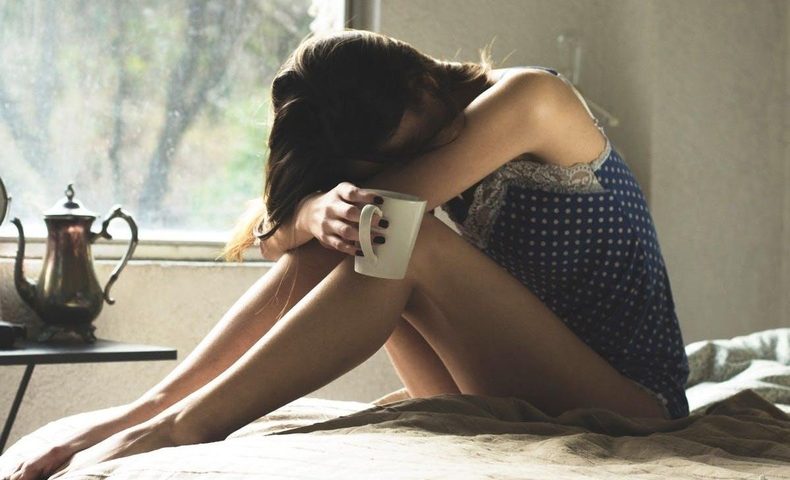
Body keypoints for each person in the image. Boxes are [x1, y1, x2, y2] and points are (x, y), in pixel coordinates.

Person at [5, 28, 689, 480]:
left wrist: (322, 211)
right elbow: (273, 239)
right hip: (506, 387)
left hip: (627, 399)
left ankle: (187, 425)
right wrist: (310, 208)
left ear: (423, 83)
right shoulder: (409, 125)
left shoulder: (533, 97)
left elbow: (380, 217)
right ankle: (149, 411)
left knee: (395, 233)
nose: (411, 161)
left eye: (407, 148)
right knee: (350, 235)